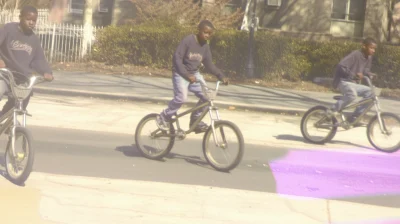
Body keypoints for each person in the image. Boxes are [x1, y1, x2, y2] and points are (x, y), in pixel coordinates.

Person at [156, 20, 228, 133]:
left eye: (210, 34)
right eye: (205, 32)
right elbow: (177, 58)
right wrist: (186, 74)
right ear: (199, 30)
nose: (207, 36)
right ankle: (164, 116)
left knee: (207, 97)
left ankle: (195, 120)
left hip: (194, 75)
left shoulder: (205, 46)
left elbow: (209, 64)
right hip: (180, 73)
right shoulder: (188, 40)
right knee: (181, 98)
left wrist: (221, 76)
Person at [0, 5, 54, 117]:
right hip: (5, 74)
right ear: (20, 17)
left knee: (21, 103)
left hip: (21, 78)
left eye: (34, 20)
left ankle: (7, 121)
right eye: (28, 19)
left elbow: (39, 59)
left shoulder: (34, 39)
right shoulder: (8, 29)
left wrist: (46, 72)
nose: (31, 23)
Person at [330, 37, 377, 124]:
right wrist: (354, 75)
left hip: (353, 84)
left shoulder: (368, 58)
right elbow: (341, 66)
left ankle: (354, 117)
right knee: (352, 95)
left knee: (371, 93)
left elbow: (365, 71)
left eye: (374, 49)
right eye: (371, 48)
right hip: (342, 81)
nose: (373, 50)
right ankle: (332, 110)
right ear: (364, 46)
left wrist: (370, 74)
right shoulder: (356, 54)